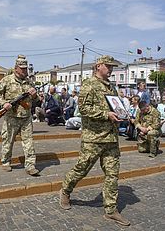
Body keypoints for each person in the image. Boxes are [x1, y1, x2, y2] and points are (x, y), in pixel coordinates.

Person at [59, 55, 130, 226]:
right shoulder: (88, 84)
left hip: (111, 138)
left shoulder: (111, 87)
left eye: (113, 66)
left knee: (112, 174)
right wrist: (105, 114)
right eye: (108, 66)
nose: (111, 69)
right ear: (99, 66)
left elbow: (114, 106)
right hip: (93, 138)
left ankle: (111, 210)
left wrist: (120, 114)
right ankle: (65, 191)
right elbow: (83, 109)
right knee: (82, 168)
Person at [0, 55, 40, 176]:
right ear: (16, 68)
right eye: (22, 68)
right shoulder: (7, 80)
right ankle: (6, 162)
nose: (25, 71)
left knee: (29, 142)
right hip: (11, 116)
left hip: (26, 117)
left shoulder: (29, 82)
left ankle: (30, 165)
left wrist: (34, 95)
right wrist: (4, 104)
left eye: (26, 68)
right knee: (8, 140)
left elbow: (37, 100)